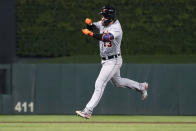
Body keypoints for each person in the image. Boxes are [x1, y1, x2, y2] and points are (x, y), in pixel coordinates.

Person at [76, 5, 148, 119]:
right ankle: (141, 86)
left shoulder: (117, 28)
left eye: (104, 16)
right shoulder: (103, 23)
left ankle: (87, 111)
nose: (102, 18)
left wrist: (91, 34)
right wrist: (88, 25)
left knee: (99, 83)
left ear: (110, 17)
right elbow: (92, 27)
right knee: (118, 82)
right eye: (102, 16)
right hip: (106, 60)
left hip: (113, 60)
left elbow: (106, 37)